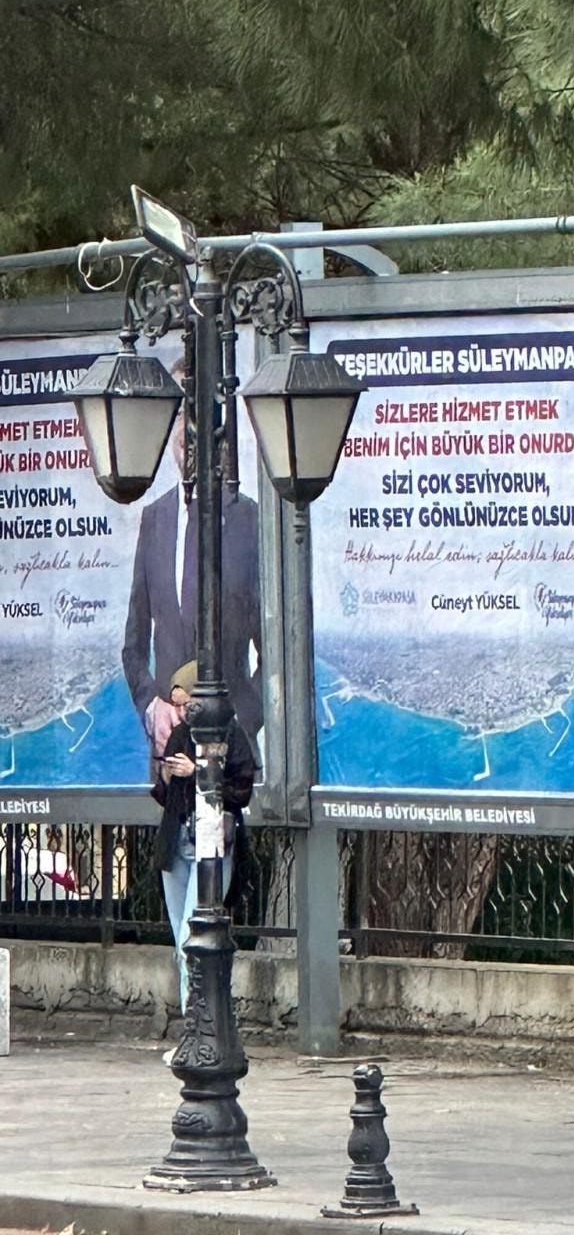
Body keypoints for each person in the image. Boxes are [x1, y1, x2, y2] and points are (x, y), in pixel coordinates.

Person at [123, 386, 263, 768]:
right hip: (170, 757)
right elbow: (133, 645)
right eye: (180, 412)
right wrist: (152, 708)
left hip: (233, 758)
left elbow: (274, 649)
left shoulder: (248, 518)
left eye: (196, 410)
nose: (187, 425)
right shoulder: (154, 519)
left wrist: (240, 722)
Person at [151, 660, 256, 1036]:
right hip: (177, 841)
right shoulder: (179, 734)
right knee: (180, 939)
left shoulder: (231, 733)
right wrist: (167, 776)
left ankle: (201, 1030)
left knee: (193, 938)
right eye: (177, 705)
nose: (182, 712)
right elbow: (164, 795)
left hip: (211, 843)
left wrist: (197, 772)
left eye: (187, 704)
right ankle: (192, 1026)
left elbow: (241, 790)